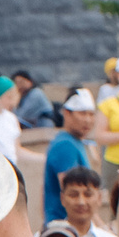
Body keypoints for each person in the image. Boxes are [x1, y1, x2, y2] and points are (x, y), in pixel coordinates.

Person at [42, 90, 97, 223]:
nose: (88, 120)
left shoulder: (74, 142)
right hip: (66, 227)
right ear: (67, 113)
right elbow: (73, 192)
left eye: (91, 114)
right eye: (82, 113)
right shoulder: (65, 145)